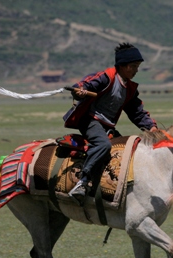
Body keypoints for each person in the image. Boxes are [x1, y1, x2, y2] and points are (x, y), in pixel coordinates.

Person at [63, 43, 158, 198]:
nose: (136, 70)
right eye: (133, 66)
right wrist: (79, 91)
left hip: (108, 126)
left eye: (138, 66)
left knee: (125, 150)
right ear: (122, 66)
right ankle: (82, 182)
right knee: (103, 145)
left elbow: (137, 112)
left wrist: (151, 128)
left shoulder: (130, 88)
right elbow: (84, 85)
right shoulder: (106, 77)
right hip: (90, 120)